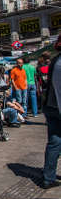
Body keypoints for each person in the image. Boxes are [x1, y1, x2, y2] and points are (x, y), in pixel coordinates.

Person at [41, 33, 61, 189]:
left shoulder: (55, 60)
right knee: (55, 142)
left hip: (50, 106)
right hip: (57, 106)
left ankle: (48, 177)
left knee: (54, 142)